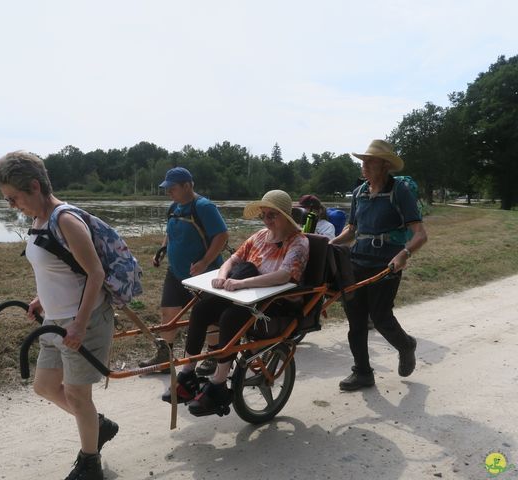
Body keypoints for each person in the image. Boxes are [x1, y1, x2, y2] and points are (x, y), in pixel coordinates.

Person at [0, 151, 118, 480]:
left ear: (34, 186)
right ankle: (97, 426)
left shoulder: (66, 220)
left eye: (14, 198)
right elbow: (60, 269)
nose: (12, 206)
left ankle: (90, 463)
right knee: (44, 386)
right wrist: (40, 299)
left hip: (82, 322)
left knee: (76, 393)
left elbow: (96, 275)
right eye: (7, 200)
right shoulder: (38, 219)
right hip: (54, 320)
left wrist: (79, 324)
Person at [162, 190, 309, 416]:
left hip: (276, 303)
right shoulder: (260, 236)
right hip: (247, 296)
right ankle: (188, 374)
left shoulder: (299, 242)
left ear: (285, 215)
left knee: (229, 318)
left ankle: (219, 384)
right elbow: (233, 259)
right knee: (201, 309)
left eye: (272, 215)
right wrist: (223, 275)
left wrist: (242, 283)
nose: (267, 220)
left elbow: (284, 275)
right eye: (264, 215)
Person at [330, 140, 428, 391]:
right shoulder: (359, 192)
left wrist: (404, 254)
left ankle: (406, 346)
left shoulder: (399, 192)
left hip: (387, 264)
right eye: (362, 161)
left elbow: (420, 234)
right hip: (357, 261)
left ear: (385, 165)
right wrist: (331, 242)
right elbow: (351, 230)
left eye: (369, 161)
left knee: (381, 317)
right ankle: (362, 373)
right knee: (356, 321)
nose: (363, 166)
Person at [138, 167, 229, 376]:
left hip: (205, 275)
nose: (168, 192)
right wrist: (161, 250)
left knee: (208, 316)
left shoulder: (204, 207)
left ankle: (213, 355)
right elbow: (170, 233)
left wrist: (205, 262)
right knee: (168, 312)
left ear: (187, 186)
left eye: (172, 188)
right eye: (167, 188)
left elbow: (222, 236)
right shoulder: (174, 207)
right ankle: (165, 357)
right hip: (176, 272)